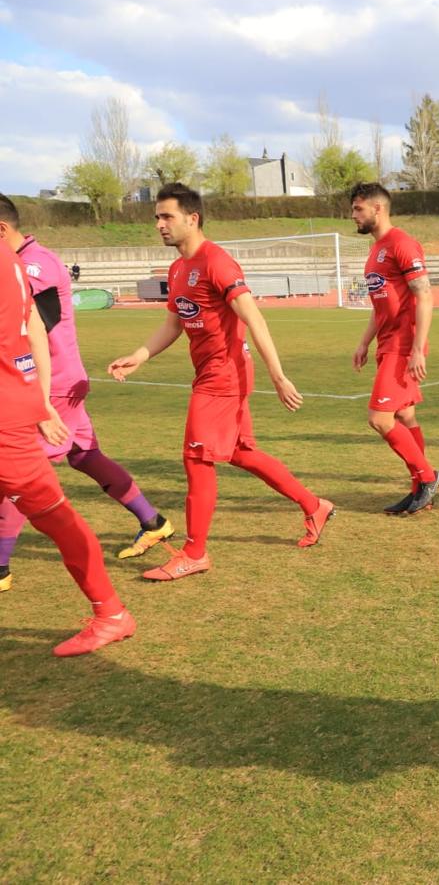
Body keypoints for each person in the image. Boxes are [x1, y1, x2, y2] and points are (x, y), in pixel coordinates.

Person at [107, 183, 334, 581]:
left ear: (192, 219)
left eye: (167, 217)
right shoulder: (177, 269)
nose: (159, 224)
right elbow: (174, 323)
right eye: (157, 217)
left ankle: (194, 553)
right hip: (212, 374)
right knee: (241, 454)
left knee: (197, 458)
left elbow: (254, 319)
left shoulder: (217, 262)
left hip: (223, 376)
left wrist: (278, 376)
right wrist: (139, 356)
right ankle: (314, 505)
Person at [0, 194, 172, 594]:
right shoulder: (29, 259)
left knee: (17, 476)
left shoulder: (31, 265)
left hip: (49, 382)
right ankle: (154, 521)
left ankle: (1, 566)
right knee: (84, 455)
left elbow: (31, 328)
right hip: (62, 378)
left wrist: (37, 396)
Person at [0, 239, 136, 655]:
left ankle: (111, 613)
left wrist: (39, 400)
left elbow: (36, 325)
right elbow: (35, 327)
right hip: (17, 405)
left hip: (6, 416)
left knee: (56, 515)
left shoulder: (20, 260)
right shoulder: (10, 258)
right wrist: (39, 400)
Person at [350, 183, 439, 514]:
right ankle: (420, 489)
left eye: (358, 209)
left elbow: (425, 295)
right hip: (387, 343)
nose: (353, 215)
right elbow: (381, 305)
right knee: (404, 415)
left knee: (379, 417)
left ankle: (428, 478)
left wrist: (418, 348)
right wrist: (364, 341)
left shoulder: (402, 244)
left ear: (378, 209)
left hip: (403, 345)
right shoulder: (376, 251)